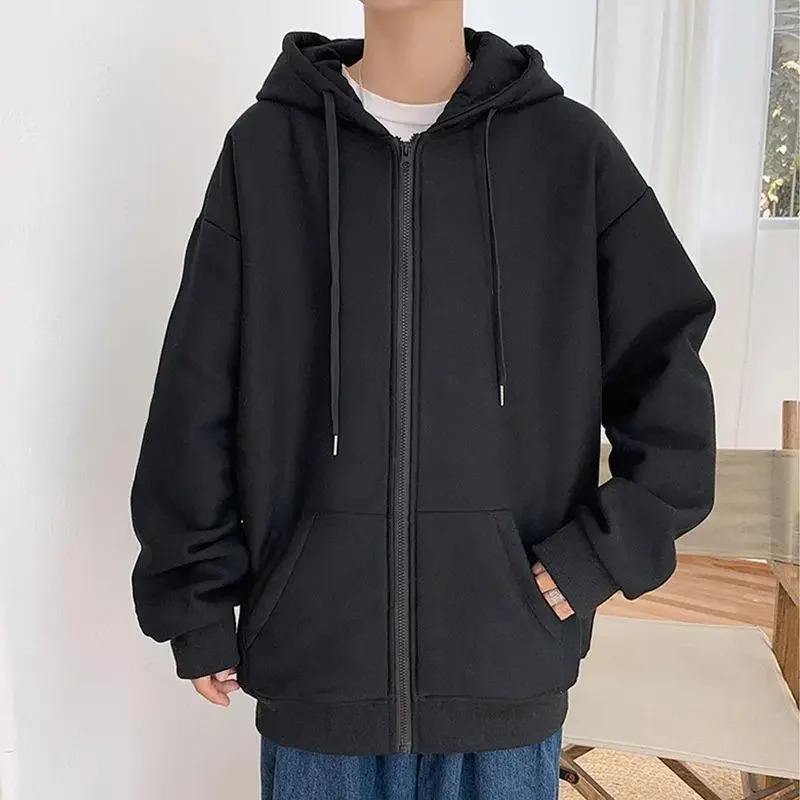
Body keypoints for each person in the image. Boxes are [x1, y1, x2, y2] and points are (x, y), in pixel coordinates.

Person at [129, 1, 717, 798]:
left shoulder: (568, 151)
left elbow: (667, 376)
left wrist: (601, 555)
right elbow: (196, 391)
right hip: (317, 670)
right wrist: (194, 595)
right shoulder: (267, 151)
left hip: (505, 667)